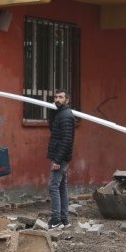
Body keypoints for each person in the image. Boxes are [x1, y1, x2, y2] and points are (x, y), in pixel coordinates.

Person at [47, 89, 75, 229]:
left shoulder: (65, 116)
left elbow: (66, 140)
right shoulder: (59, 113)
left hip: (61, 157)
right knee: (62, 186)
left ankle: (56, 219)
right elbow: (53, 129)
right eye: (56, 97)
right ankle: (64, 220)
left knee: (53, 186)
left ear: (67, 100)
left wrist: (57, 160)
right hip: (60, 155)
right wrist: (52, 112)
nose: (57, 99)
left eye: (61, 97)